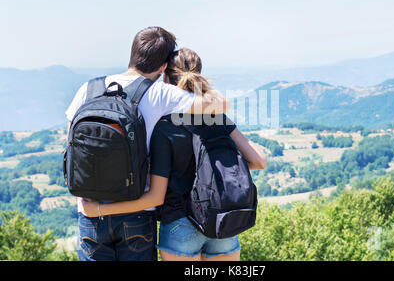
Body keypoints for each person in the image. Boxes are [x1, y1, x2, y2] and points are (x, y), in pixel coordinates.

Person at [80, 48, 267, 261]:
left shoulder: (165, 127)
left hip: (180, 224)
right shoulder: (218, 118)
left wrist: (99, 210)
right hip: (222, 221)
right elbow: (259, 161)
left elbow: (156, 196)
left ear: (165, 76)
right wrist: (215, 172)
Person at [65, 27, 230, 261]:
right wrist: (196, 81)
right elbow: (222, 106)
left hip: (89, 211)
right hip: (137, 212)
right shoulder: (162, 93)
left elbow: (70, 147)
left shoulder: (88, 88)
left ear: (132, 54)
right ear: (163, 67)